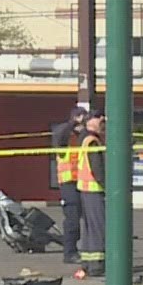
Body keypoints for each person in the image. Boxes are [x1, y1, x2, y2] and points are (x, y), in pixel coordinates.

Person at [49, 105, 88, 264]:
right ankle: (70, 252)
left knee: (90, 218)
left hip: (85, 181)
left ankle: (90, 250)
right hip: (68, 182)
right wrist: (73, 123)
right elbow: (59, 134)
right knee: (72, 218)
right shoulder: (64, 134)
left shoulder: (84, 136)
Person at [76, 110, 108, 278]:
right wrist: (108, 188)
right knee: (98, 228)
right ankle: (96, 265)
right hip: (95, 190)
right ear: (92, 121)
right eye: (101, 119)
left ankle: (88, 263)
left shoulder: (84, 138)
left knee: (89, 229)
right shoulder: (92, 141)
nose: (103, 123)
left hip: (85, 189)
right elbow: (98, 168)